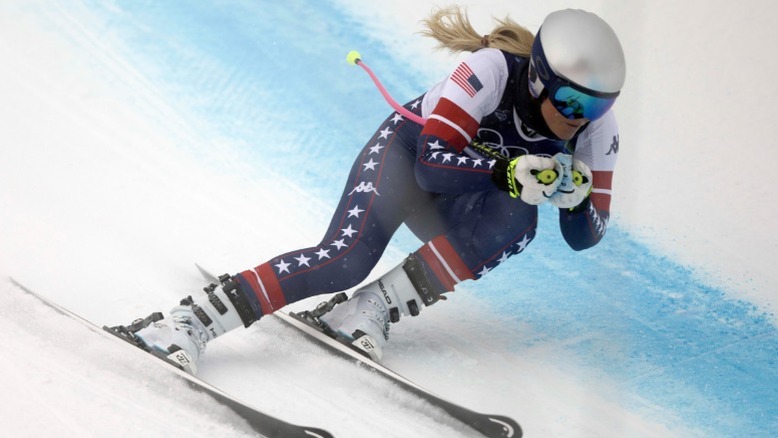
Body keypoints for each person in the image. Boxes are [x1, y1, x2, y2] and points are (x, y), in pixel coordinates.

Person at [115, 6, 625, 374]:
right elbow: (429, 167)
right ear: (537, 80)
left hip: (459, 186)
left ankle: (368, 308)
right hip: (409, 158)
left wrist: (576, 198)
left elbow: (587, 236)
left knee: (518, 222)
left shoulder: (596, 131)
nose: (579, 118)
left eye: (595, 107)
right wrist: (506, 175)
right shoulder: (491, 70)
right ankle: (187, 322)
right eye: (571, 100)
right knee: (346, 259)